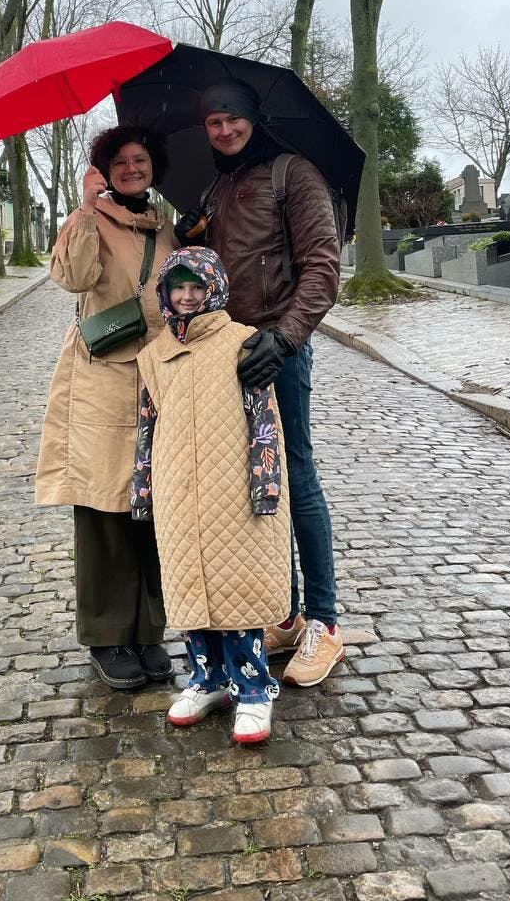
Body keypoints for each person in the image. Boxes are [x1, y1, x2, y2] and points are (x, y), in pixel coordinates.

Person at [173, 80, 343, 687]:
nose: (224, 131)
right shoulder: (216, 188)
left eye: (233, 119)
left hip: (278, 351)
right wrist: (191, 236)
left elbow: (323, 266)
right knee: (256, 484)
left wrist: (286, 337)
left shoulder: (294, 174)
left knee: (296, 475)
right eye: (213, 122)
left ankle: (324, 622)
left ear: (253, 119)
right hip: (227, 352)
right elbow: (215, 272)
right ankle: (286, 615)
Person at [131, 246, 291, 744]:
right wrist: (144, 487)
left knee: (237, 588)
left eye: (195, 287)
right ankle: (207, 678)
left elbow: (264, 419)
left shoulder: (243, 342)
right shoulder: (153, 354)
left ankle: (253, 688)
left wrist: (266, 483)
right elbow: (147, 424)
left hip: (234, 489)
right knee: (188, 588)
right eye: (177, 287)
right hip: (178, 488)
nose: (186, 296)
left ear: (214, 289)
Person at [36, 124, 176, 690]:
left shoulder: (167, 226)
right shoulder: (91, 218)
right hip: (102, 379)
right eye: (120, 162)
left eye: (141, 159)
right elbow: (73, 278)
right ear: (105, 171)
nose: (132, 168)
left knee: (153, 505)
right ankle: (106, 635)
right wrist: (84, 209)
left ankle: (148, 632)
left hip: (160, 379)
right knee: (105, 506)